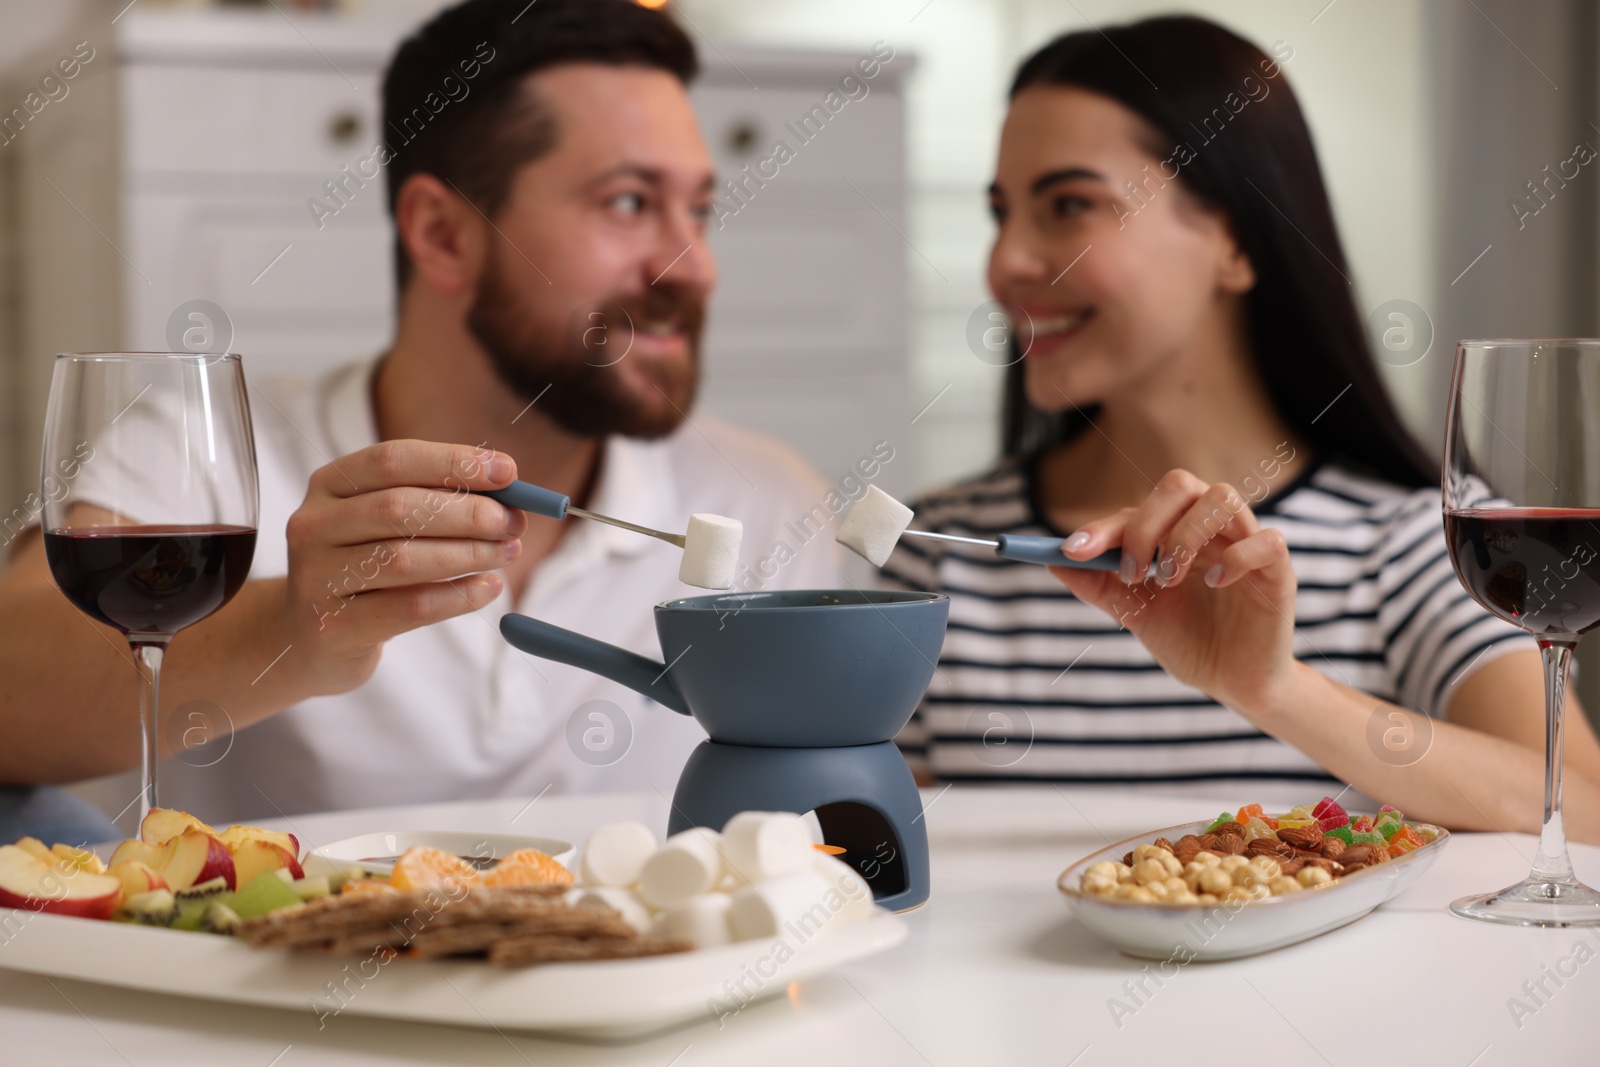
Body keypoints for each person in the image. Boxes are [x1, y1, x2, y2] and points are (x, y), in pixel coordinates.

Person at [0, 0, 841, 833]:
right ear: (442, 234)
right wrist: (292, 627)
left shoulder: (769, 504)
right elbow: (9, 695)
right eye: (628, 203)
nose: (692, 267)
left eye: (698, 209)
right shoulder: (208, 455)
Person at [882, 15, 1600, 841]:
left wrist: (1275, 689)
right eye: (1001, 212)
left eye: (1069, 204)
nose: (1005, 260)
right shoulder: (935, 553)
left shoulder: (1410, 540)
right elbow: (869, 865)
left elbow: (1580, 817)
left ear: (1235, 239)